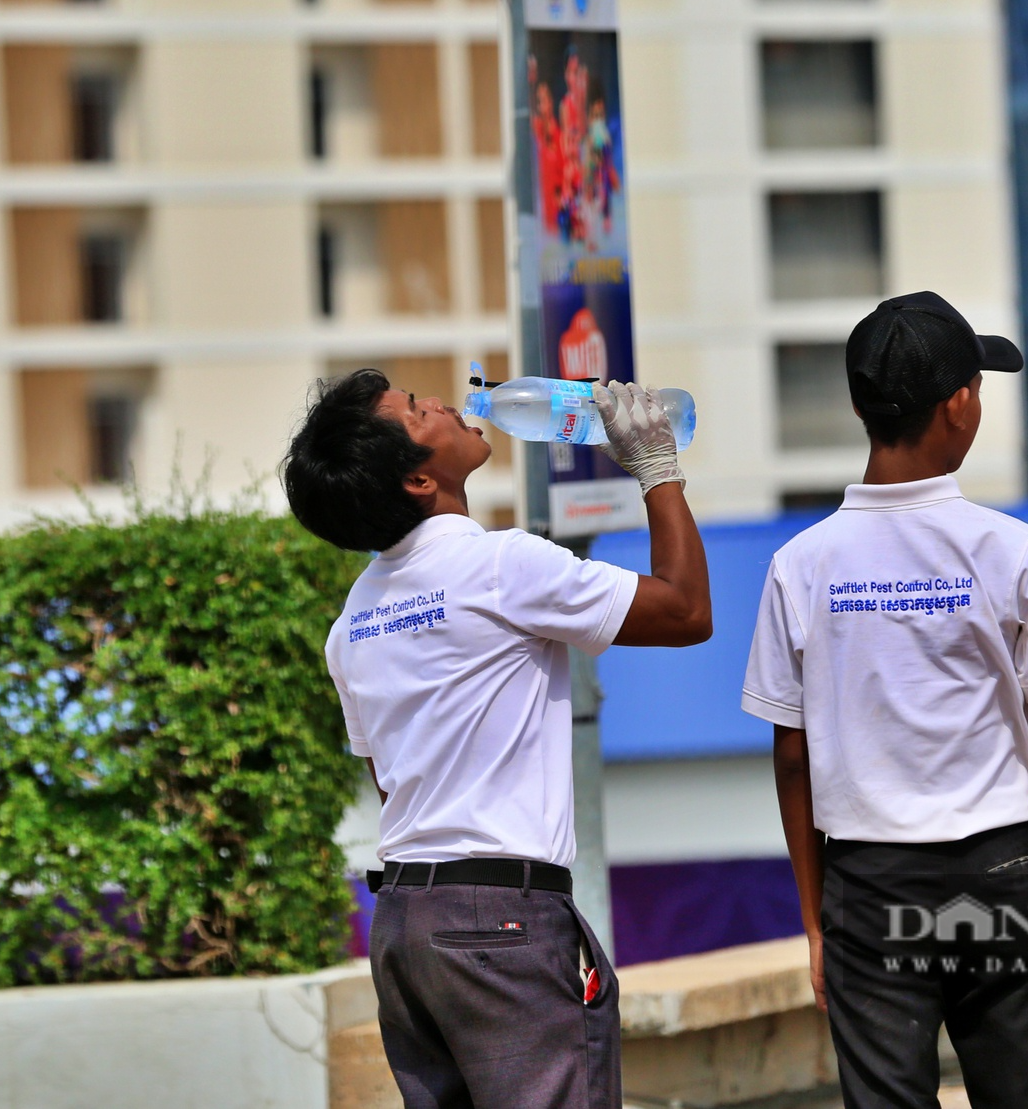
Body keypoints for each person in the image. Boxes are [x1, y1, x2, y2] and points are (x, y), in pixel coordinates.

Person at [283, 369, 711, 1109]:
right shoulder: (501, 564)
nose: (447, 404)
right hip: (499, 924)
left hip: (405, 924)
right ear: (421, 478)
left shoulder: (352, 619)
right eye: (421, 412)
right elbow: (685, 611)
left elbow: (394, 781)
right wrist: (657, 468)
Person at [741, 292, 1028, 1109]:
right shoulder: (1015, 550)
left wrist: (817, 924)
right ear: (959, 406)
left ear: (858, 405)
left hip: (867, 886)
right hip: (1004, 872)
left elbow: (791, 757)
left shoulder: (799, 564)